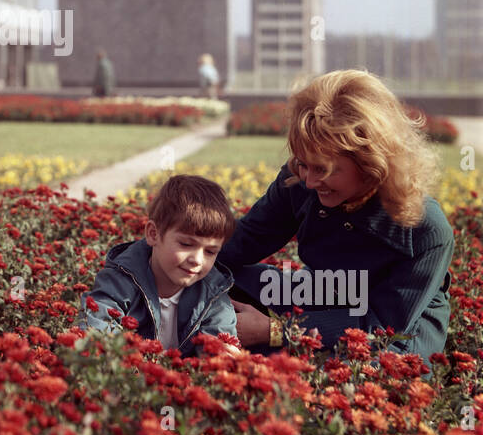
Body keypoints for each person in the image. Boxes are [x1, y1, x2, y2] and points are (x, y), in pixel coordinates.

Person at [216, 70, 455, 366]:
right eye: (303, 163)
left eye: (324, 169)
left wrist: (273, 330)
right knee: (217, 276)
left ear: (371, 162)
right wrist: (165, 255)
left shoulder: (425, 228)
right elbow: (243, 241)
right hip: (326, 294)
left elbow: (383, 329)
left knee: (372, 371)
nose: (310, 181)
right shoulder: (300, 179)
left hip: (393, 334)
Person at [79, 174, 238, 357]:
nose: (197, 260)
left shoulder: (213, 295)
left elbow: (216, 356)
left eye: (210, 252)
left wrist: (221, 358)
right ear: (154, 234)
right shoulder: (120, 280)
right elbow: (95, 334)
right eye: (186, 245)